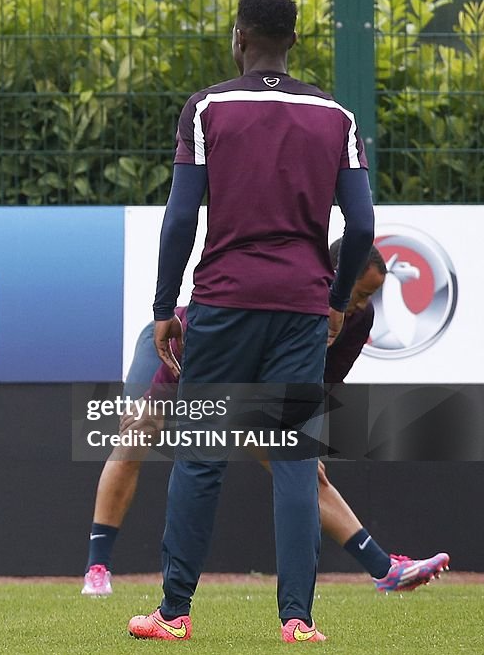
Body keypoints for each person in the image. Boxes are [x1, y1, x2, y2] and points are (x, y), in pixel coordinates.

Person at [127, 0, 376, 644]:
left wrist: (162, 307)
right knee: (294, 459)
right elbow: (365, 223)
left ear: (240, 37)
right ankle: (298, 619)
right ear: (293, 41)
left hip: (223, 302)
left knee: (201, 454)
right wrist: (333, 299)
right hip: (300, 309)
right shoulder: (336, 116)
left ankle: (174, 613)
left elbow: (182, 217)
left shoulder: (208, 108)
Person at [82, 242, 450, 597]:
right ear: (333, 278)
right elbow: (194, 345)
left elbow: (321, 385)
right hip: (178, 352)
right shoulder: (278, 297)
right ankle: (97, 568)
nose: (363, 305)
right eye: (360, 293)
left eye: (371, 296)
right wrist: (155, 406)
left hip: (250, 383)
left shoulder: (357, 319)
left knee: (301, 466)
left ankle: (384, 569)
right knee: (135, 439)